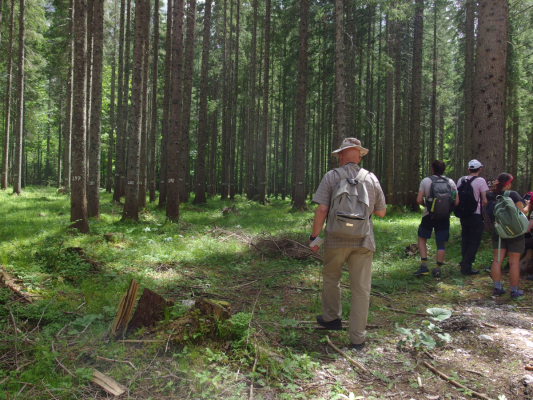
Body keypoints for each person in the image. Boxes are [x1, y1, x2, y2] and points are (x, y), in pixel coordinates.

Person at [309, 138, 386, 350]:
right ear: (359, 156)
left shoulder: (332, 176)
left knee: (331, 278)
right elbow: (381, 212)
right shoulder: (371, 178)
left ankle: (332, 318)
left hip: (335, 239)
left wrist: (314, 237)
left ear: (341, 156)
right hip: (363, 240)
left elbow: (322, 209)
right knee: (361, 289)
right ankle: (357, 339)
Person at [413, 160, 459, 278]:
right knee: (441, 242)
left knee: (422, 238)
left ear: (432, 169)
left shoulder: (426, 181)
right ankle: (438, 269)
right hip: (444, 216)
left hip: (428, 215)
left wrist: (426, 205)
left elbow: (419, 200)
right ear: (444, 169)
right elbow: (456, 202)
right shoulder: (450, 182)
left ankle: (424, 266)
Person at [488, 173, 530, 298]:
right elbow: (522, 213)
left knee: (497, 260)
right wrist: (528, 206)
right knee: (514, 263)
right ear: (508, 183)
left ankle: (497, 288)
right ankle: (514, 291)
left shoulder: (491, 195)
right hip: (515, 233)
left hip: (499, 232)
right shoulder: (513, 194)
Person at [456, 160, 490, 275]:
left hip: (463, 214)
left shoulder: (461, 180)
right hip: (475, 215)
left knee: (465, 239)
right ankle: (466, 266)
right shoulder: (481, 181)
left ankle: (464, 263)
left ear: (469, 169)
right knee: (474, 241)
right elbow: (485, 200)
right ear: (479, 170)